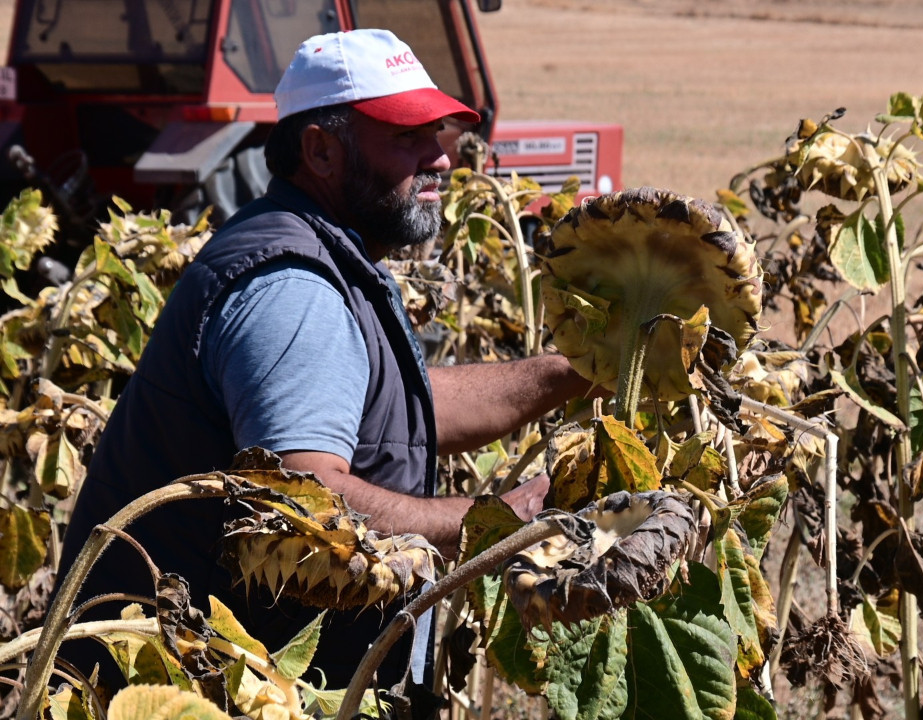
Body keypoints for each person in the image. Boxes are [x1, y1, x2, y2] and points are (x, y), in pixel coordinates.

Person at [56, 28, 590, 689]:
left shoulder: (316, 246)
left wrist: (568, 373)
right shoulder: (293, 289)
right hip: (214, 683)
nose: (441, 159)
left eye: (438, 134)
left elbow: (390, 411)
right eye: (406, 137)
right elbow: (306, 502)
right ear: (321, 150)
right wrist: (497, 524)